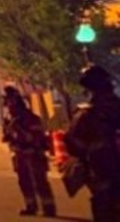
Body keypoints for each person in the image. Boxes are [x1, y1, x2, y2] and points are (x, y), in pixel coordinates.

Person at [64, 64, 120, 222]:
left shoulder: (87, 114)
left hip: (101, 171)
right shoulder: (115, 107)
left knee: (105, 210)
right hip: (107, 170)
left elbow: (72, 142)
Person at [2, 86, 57, 216]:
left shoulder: (30, 118)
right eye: (7, 101)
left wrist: (19, 129)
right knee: (24, 181)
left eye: (10, 101)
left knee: (40, 181)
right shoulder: (9, 119)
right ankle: (30, 205)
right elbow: (8, 137)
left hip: (33, 153)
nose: (8, 105)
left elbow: (35, 137)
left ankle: (48, 207)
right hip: (19, 153)